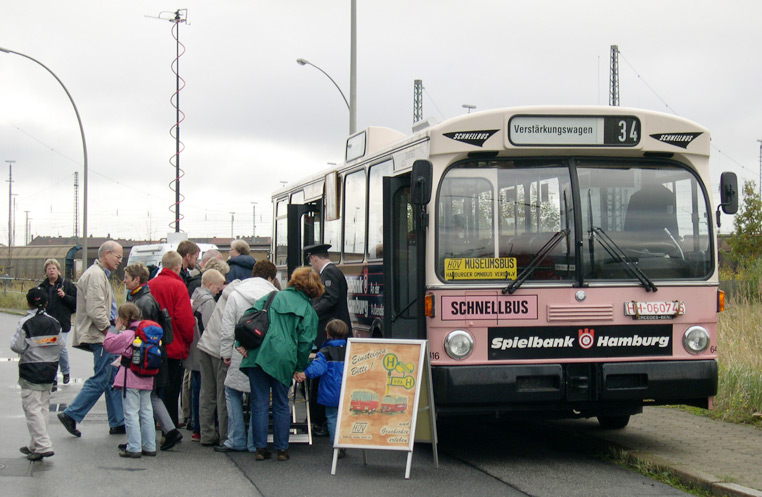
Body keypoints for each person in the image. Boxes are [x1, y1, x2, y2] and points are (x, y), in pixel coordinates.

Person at [239, 266, 323, 462]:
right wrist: (300, 367)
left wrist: (240, 343)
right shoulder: (308, 311)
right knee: (281, 404)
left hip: (258, 353)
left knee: (259, 403)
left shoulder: (272, 296)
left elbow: (248, 318)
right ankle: (282, 449)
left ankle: (260, 448)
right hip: (284, 358)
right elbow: (304, 344)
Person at [58, 240, 125, 437]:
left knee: (112, 378)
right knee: (102, 378)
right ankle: (72, 414)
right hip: (101, 335)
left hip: (103, 334)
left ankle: (118, 421)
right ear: (106, 254)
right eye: (118, 256)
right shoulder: (96, 276)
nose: (120, 261)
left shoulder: (99, 274)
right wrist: (109, 332)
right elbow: (96, 310)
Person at [215, 260, 279, 453]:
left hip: (239, 351)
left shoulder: (236, 294)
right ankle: (254, 442)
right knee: (258, 397)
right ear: (271, 277)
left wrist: (226, 352)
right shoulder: (276, 296)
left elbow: (227, 328)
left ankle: (236, 439)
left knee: (232, 391)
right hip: (264, 353)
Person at [124, 262, 183, 450]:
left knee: (149, 396)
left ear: (137, 279)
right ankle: (166, 432)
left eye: (126, 278)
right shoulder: (144, 298)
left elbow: (144, 332)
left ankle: (163, 433)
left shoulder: (143, 302)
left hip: (148, 357)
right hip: (154, 355)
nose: (124, 281)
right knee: (151, 396)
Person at [304, 243, 352, 436]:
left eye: (310, 261)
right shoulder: (330, 272)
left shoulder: (329, 273)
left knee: (328, 377)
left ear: (314, 258)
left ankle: (322, 421)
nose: (311, 266)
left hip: (331, 332)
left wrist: (310, 312)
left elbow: (329, 299)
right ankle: (321, 419)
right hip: (332, 331)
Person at [11, 288, 63, 461]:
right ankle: (35, 444)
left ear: (28, 303)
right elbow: (60, 346)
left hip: (30, 371)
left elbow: (16, 346)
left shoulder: (26, 322)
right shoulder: (55, 322)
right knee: (42, 408)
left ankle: (43, 445)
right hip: (49, 371)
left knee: (32, 409)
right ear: (46, 303)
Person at [148, 250, 195, 428]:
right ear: (177, 267)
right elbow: (184, 318)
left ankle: (155, 421)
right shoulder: (178, 286)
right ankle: (170, 426)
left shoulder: (150, 284)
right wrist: (188, 340)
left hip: (152, 344)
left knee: (154, 387)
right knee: (171, 388)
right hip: (173, 345)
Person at [103, 303, 156, 458]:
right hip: (148, 376)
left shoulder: (128, 334)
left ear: (125, 318)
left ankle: (134, 447)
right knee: (146, 411)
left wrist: (115, 328)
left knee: (131, 412)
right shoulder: (148, 330)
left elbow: (108, 345)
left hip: (131, 376)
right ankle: (150, 445)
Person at [296, 318, 348, 457]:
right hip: (349, 390)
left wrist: (304, 373)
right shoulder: (351, 349)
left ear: (328, 334)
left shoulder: (325, 351)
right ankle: (345, 442)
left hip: (331, 392)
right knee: (346, 418)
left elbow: (317, 369)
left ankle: (336, 446)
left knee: (332, 417)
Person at [188, 268, 226, 444]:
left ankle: (205, 433)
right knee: (216, 392)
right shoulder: (209, 302)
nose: (219, 291)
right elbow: (213, 326)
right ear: (210, 285)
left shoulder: (195, 298)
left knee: (204, 392)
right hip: (212, 349)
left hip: (200, 349)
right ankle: (217, 432)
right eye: (218, 288)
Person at [37, 258, 76, 389]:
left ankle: (65, 371)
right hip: (48, 324)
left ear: (58, 270)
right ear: (46, 272)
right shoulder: (43, 287)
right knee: (50, 349)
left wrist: (64, 296)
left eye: (53, 268)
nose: (51, 271)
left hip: (62, 323)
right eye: (49, 269)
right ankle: (53, 377)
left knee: (61, 347)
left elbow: (76, 303)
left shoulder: (67, 285)